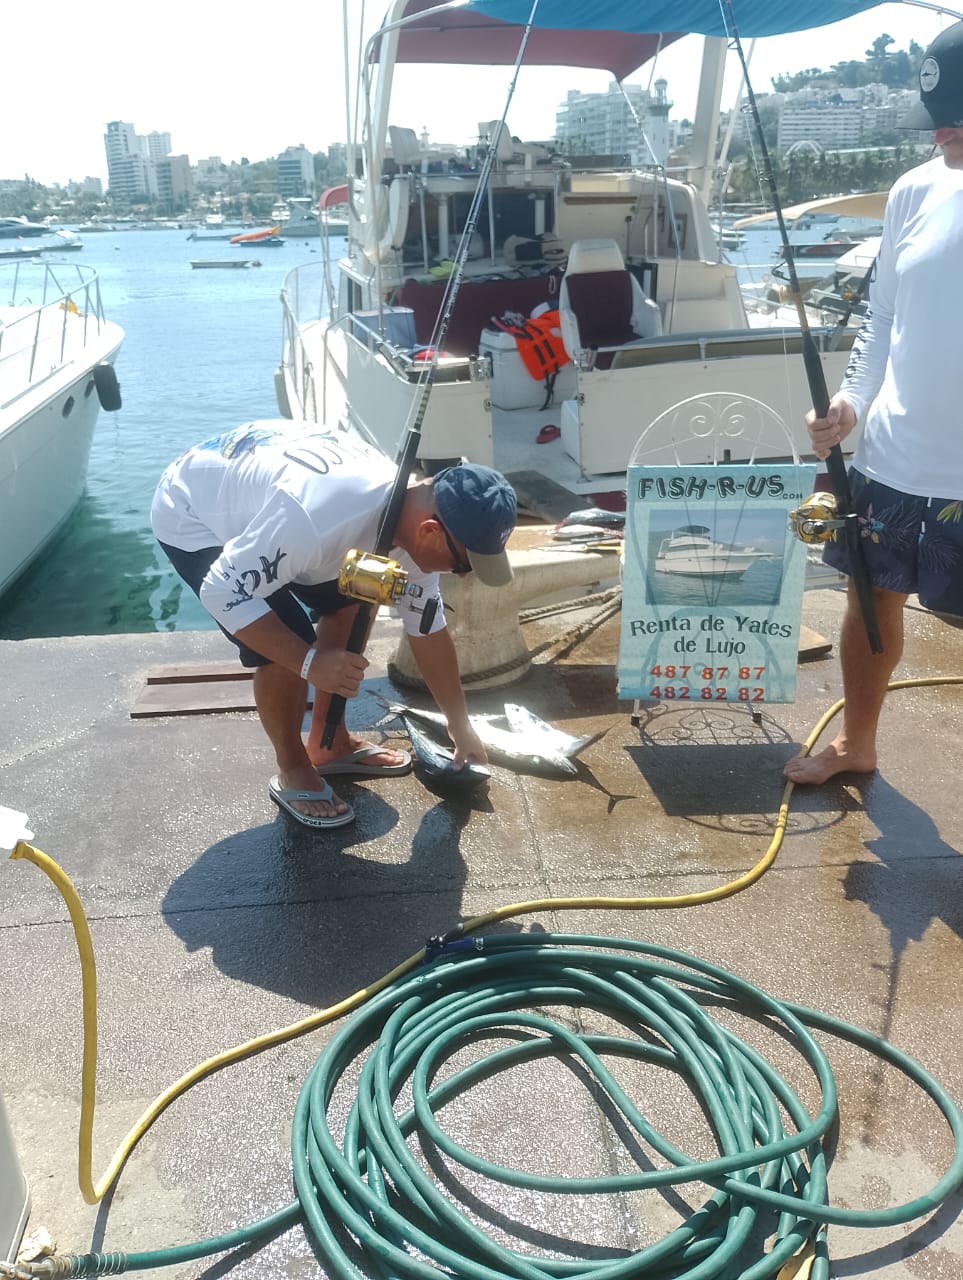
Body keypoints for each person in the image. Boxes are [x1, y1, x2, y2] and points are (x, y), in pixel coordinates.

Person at [151, 420, 517, 828]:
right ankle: (292, 767)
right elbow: (221, 591)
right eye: (464, 564)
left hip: (273, 503)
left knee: (357, 600)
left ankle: (330, 744)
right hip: (194, 511)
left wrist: (460, 726)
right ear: (430, 531)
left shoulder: (418, 524)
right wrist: (309, 663)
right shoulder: (316, 516)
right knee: (284, 641)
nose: (463, 575)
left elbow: (427, 628)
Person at [784, 19, 963, 786]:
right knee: (869, 596)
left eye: (958, 115)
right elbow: (882, 321)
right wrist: (851, 405)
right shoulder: (915, 188)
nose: (944, 131)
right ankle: (857, 743)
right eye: (938, 117)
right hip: (890, 457)